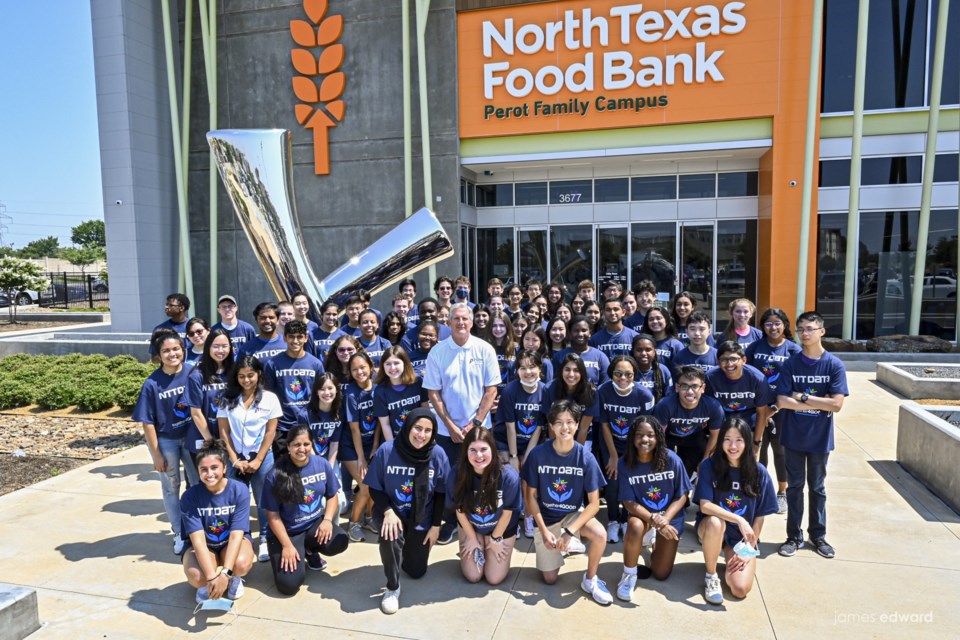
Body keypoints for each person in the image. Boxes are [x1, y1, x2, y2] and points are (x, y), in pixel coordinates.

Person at [424, 303, 500, 544]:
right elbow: (433, 393)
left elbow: (491, 390)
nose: (460, 322)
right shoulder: (437, 352)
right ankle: (452, 522)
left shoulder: (484, 349)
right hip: (447, 431)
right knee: (448, 478)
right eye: (456, 318)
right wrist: (451, 425)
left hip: (479, 429)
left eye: (465, 318)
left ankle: (481, 517)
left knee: (481, 474)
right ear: (448, 322)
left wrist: (474, 423)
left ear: (472, 321)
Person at [522, 400, 611, 605]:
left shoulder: (585, 457)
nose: (565, 427)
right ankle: (565, 543)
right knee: (550, 579)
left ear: (577, 424)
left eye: (570, 422)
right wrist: (544, 531)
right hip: (547, 517)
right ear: (551, 426)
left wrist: (569, 531)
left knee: (600, 534)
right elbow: (530, 497)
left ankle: (590, 579)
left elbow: (594, 504)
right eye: (559, 422)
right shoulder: (538, 455)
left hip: (572, 515)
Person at [775, 311, 848, 560]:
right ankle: (793, 537)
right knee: (795, 487)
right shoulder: (790, 364)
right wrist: (821, 403)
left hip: (820, 438)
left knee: (817, 488)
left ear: (821, 331)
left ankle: (818, 536)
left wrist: (803, 397)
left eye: (810, 328)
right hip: (793, 437)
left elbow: (837, 405)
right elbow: (782, 400)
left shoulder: (834, 365)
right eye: (801, 329)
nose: (805, 333)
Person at [365, 409, 450, 614]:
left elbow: (440, 493)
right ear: (408, 427)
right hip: (391, 511)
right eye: (417, 428)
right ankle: (392, 587)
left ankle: (407, 547)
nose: (422, 435)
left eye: (428, 430)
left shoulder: (437, 454)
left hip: (422, 516)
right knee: (391, 534)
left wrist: (436, 527)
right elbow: (375, 488)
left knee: (416, 571)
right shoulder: (387, 450)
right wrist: (387, 511)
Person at [694, 416, 778, 604]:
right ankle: (711, 575)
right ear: (721, 440)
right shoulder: (709, 465)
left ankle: (728, 553)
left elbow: (759, 516)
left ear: (747, 442)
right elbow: (705, 505)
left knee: (739, 589)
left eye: (739, 440)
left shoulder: (759, 472)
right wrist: (740, 520)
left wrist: (748, 548)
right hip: (711, 528)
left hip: (740, 539)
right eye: (727, 439)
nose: (733, 446)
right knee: (716, 522)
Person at [262, 425, 349, 594]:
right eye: (296, 445)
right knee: (289, 585)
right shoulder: (275, 475)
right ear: (288, 447)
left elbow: (332, 495)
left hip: (312, 526)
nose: (302, 449)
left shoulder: (322, 464)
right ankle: (296, 552)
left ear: (312, 444)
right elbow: (273, 516)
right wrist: (287, 545)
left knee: (340, 540)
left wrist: (327, 520)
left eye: (306, 444)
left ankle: (309, 550)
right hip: (286, 533)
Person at [133, 331, 198, 553]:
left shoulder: (192, 372)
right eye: (166, 351)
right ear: (159, 355)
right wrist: (156, 454)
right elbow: (147, 422)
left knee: (199, 483)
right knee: (171, 487)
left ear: (183, 350)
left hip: (192, 438)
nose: (172, 354)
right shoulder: (152, 383)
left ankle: (200, 528)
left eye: (176, 349)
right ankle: (179, 532)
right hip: (167, 440)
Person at [615, 415, 691, 601]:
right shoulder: (625, 463)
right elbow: (628, 502)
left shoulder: (671, 459)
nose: (645, 440)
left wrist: (665, 520)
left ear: (658, 437)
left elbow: (682, 494)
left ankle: (655, 540)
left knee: (661, 573)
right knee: (634, 526)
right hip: (643, 515)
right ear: (632, 437)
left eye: (650, 435)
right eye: (639, 435)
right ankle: (629, 574)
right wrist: (655, 521)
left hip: (669, 516)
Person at [217, 355, 282, 562]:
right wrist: (234, 460)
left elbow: (271, 432)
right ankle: (243, 539)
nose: (246, 380)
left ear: (259, 374)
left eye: (251, 375)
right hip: (235, 459)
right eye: (242, 376)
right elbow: (224, 432)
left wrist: (258, 460)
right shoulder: (226, 399)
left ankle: (264, 538)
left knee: (263, 500)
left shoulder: (270, 398)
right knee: (236, 501)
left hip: (262, 458)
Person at [179, 439, 253, 604]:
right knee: (198, 577)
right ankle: (206, 584)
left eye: (214, 468)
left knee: (240, 564)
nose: (209, 474)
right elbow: (198, 542)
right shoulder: (190, 497)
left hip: (231, 542)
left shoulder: (239, 490)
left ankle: (234, 578)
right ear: (198, 471)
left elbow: (236, 535)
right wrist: (212, 578)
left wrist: (225, 574)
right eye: (203, 469)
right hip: (205, 544)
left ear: (224, 468)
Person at [449, 427, 522, 585]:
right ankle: (479, 541)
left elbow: (508, 513)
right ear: (466, 451)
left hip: (501, 528)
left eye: (483, 449)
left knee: (494, 578)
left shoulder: (508, 476)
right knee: (473, 576)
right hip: (471, 526)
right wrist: (472, 538)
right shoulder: (457, 473)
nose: (479, 455)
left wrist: (495, 539)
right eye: (473, 450)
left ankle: (487, 541)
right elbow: (459, 510)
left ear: (492, 449)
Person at [746, 308, 801, 513]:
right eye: (769, 323)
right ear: (762, 327)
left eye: (777, 323)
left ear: (785, 325)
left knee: (780, 451)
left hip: (782, 411)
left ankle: (781, 492)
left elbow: (795, 384)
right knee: (758, 450)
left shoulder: (793, 350)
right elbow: (747, 376)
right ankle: (760, 488)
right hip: (757, 409)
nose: (773, 327)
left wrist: (775, 408)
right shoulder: (754, 347)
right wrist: (762, 409)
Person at [597, 355, 655, 542]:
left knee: (633, 480)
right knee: (613, 481)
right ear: (611, 374)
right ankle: (614, 520)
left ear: (635, 375)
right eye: (618, 374)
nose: (623, 378)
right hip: (611, 442)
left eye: (628, 374)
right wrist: (613, 456)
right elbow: (604, 424)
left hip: (635, 444)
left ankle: (629, 518)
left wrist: (633, 454)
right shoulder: (603, 391)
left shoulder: (644, 395)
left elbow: (645, 428)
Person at [654, 366, 725, 480]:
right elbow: (658, 436)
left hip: (694, 436)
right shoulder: (665, 405)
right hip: (668, 436)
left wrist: (705, 461)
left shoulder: (713, 406)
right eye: (684, 386)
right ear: (677, 387)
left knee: (707, 465)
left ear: (703, 388)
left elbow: (715, 435)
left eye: (695, 386)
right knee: (665, 467)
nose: (690, 392)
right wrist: (660, 457)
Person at [263, 320, 326, 444]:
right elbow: (267, 396)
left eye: (299, 337)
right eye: (291, 337)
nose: (295, 341)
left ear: (306, 338)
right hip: (282, 426)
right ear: (284, 338)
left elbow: (321, 395)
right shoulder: (273, 364)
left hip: (308, 424)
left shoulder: (315, 364)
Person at [185, 328, 234, 469]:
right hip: (203, 438)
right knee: (204, 483)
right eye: (216, 346)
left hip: (229, 438)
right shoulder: (197, 375)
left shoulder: (234, 372)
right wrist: (211, 442)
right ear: (208, 348)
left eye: (224, 346)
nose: (220, 350)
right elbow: (196, 413)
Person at [343, 351, 379, 542]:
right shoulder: (350, 393)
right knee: (365, 487)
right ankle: (353, 523)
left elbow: (381, 421)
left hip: (371, 444)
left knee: (375, 485)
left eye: (363, 367)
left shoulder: (378, 388)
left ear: (371, 367)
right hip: (351, 448)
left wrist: (374, 446)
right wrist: (362, 458)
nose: (359, 372)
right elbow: (354, 429)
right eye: (354, 369)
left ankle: (369, 518)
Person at [706, 341, 774, 432]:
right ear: (718, 362)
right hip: (722, 419)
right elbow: (708, 408)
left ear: (744, 360)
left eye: (734, 359)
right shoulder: (710, 377)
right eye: (724, 360)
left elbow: (761, 412)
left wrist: (756, 443)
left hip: (749, 418)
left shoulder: (757, 378)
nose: (729, 364)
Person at [545, 353, 600, 453]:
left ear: (582, 373)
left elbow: (583, 428)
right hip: (556, 435)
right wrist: (556, 451)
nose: (571, 374)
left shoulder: (591, 392)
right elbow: (551, 425)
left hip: (582, 439)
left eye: (576, 370)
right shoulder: (549, 389)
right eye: (567, 369)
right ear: (561, 371)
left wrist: (575, 453)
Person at [374, 346, 428, 441]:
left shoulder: (418, 382)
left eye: (396, 363)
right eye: (388, 364)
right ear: (383, 366)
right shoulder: (380, 391)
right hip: (396, 440)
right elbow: (385, 424)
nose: (392, 368)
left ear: (405, 363)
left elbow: (426, 411)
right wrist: (392, 448)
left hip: (419, 438)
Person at [298, 372, 343, 465]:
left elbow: (334, 444)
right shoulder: (304, 415)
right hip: (307, 458)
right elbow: (305, 443)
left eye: (330, 388)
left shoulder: (339, 413)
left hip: (328, 458)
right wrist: (318, 467)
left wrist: (329, 468)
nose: (327, 393)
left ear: (337, 389)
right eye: (322, 389)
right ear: (316, 392)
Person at [553, 316, 610, 386]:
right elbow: (555, 384)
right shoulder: (560, 357)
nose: (580, 334)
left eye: (584, 330)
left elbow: (605, 385)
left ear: (590, 333)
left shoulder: (601, 357)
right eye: (576, 331)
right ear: (570, 333)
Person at [631, 333, 673, 403]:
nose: (643, 353)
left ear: (654, 352)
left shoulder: (662, 370)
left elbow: (669, 396)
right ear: (633, 352)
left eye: (648, 350)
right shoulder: (629, 370)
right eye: (639, 350)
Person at [484, 311, 516, 399]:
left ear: (507, 327)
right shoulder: (483, 348)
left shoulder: (516, 349)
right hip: (488, 396)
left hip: (510, 396)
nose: (498, 329)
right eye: (494, 326)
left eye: (502, 325)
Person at [150, 293, 191, 361]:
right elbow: (154, 358)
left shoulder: (194, 327)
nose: (166, 307)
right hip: (169, 370)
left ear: (181, 308)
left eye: (171, 305)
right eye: (166, 305)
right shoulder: (160, 329)